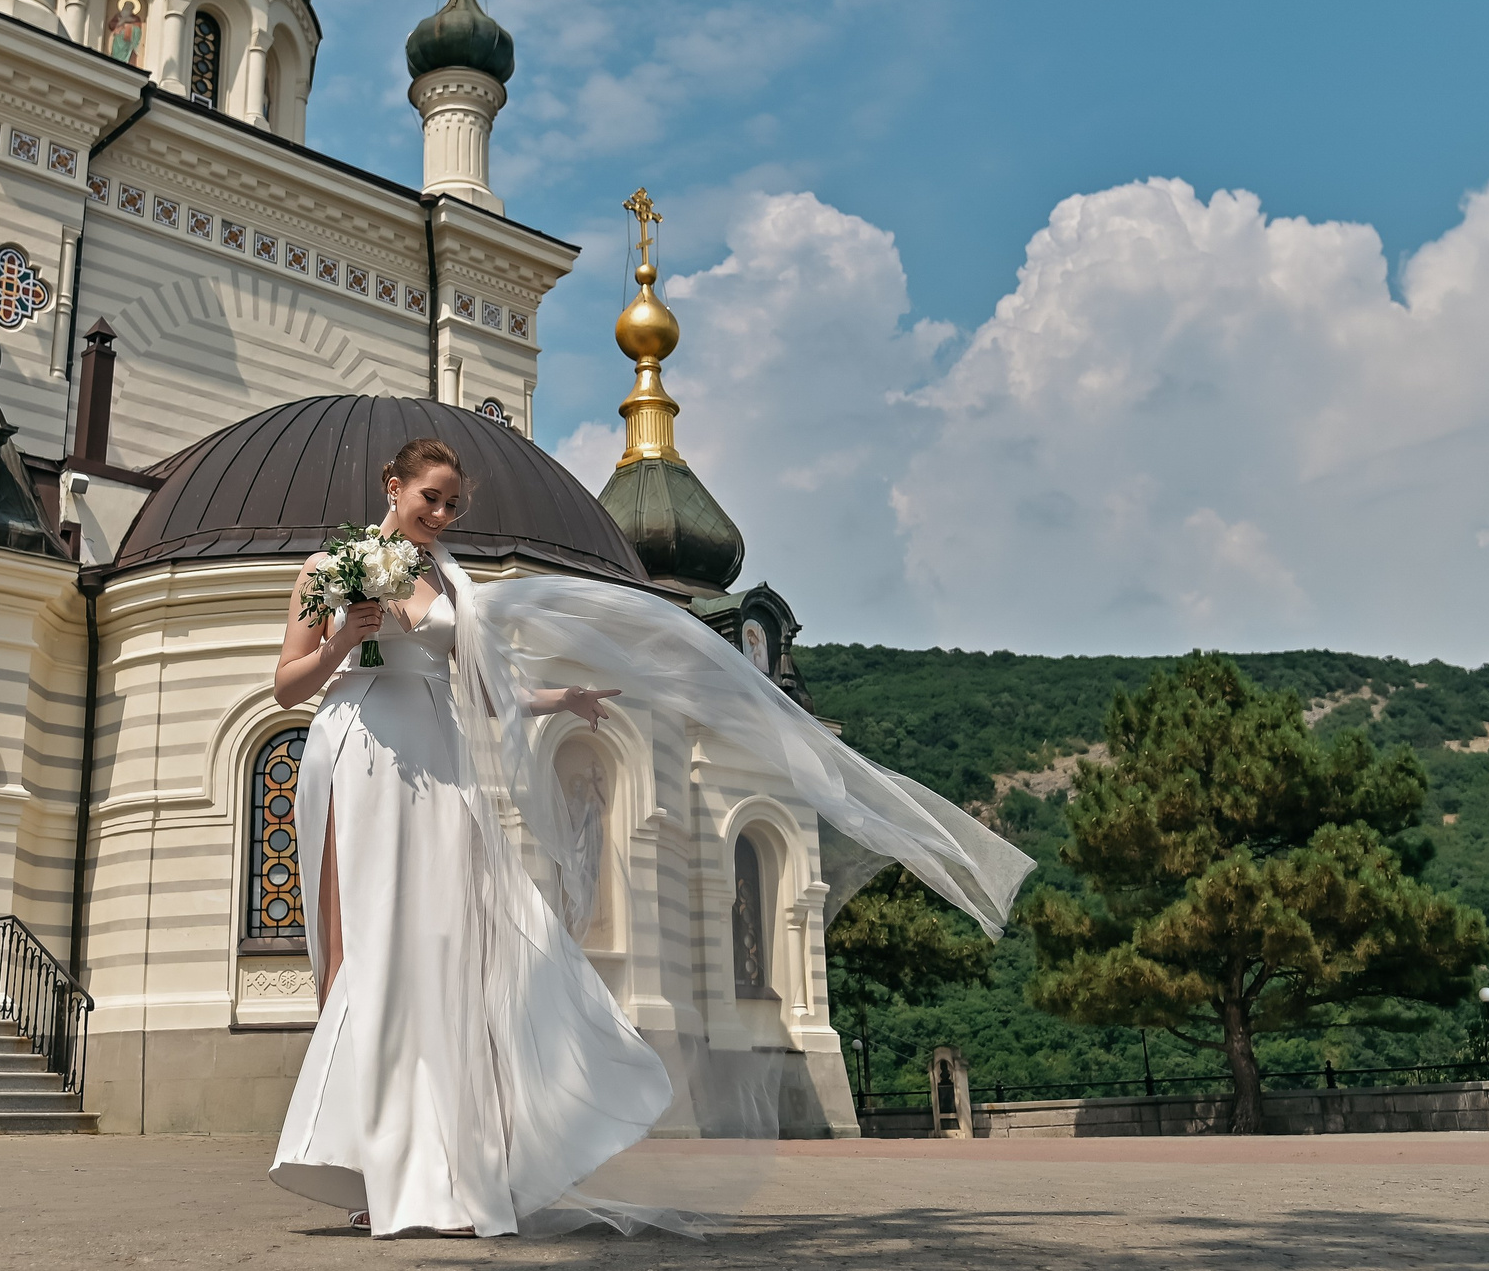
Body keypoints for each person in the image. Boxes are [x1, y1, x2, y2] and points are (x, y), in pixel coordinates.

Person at [266, 436, 1033, 1238]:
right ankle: (372, 1166)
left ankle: (446, 1166)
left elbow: (481, 685)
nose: (443, 514)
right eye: (432, 497)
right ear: (394, 485)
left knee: (452, 947)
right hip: (365, 747)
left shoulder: (448, 575)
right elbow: (287, 684)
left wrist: (559, 698)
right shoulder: (332, 567)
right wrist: (344, 640)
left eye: (455, 503)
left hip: (443, 754)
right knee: (380, 949)